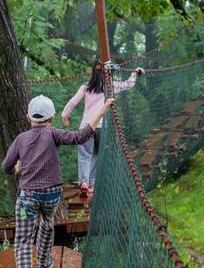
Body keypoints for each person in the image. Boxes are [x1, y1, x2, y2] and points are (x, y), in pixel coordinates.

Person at [2, 94, 115, 268]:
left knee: (23, 240)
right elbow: (80, 136)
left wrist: (17, 168)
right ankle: (44, 262)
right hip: (51, 196)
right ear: (51, 118)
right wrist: (103, 109)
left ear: (28, 117)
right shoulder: (53, 134)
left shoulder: (20, 140)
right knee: (47, 222)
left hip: (27, 198)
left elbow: (6, 166)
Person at [61, 62, 145, 195]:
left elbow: (73, 102)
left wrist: (64, 115)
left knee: (84, 155)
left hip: (86, 127)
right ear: (108, 74)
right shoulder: (111, 87)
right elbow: (129, 84)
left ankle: (84, 182)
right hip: (102, 128)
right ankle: (92, 185)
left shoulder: (86, 87)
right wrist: (135, 72)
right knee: (96, 155)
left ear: (93, 73)